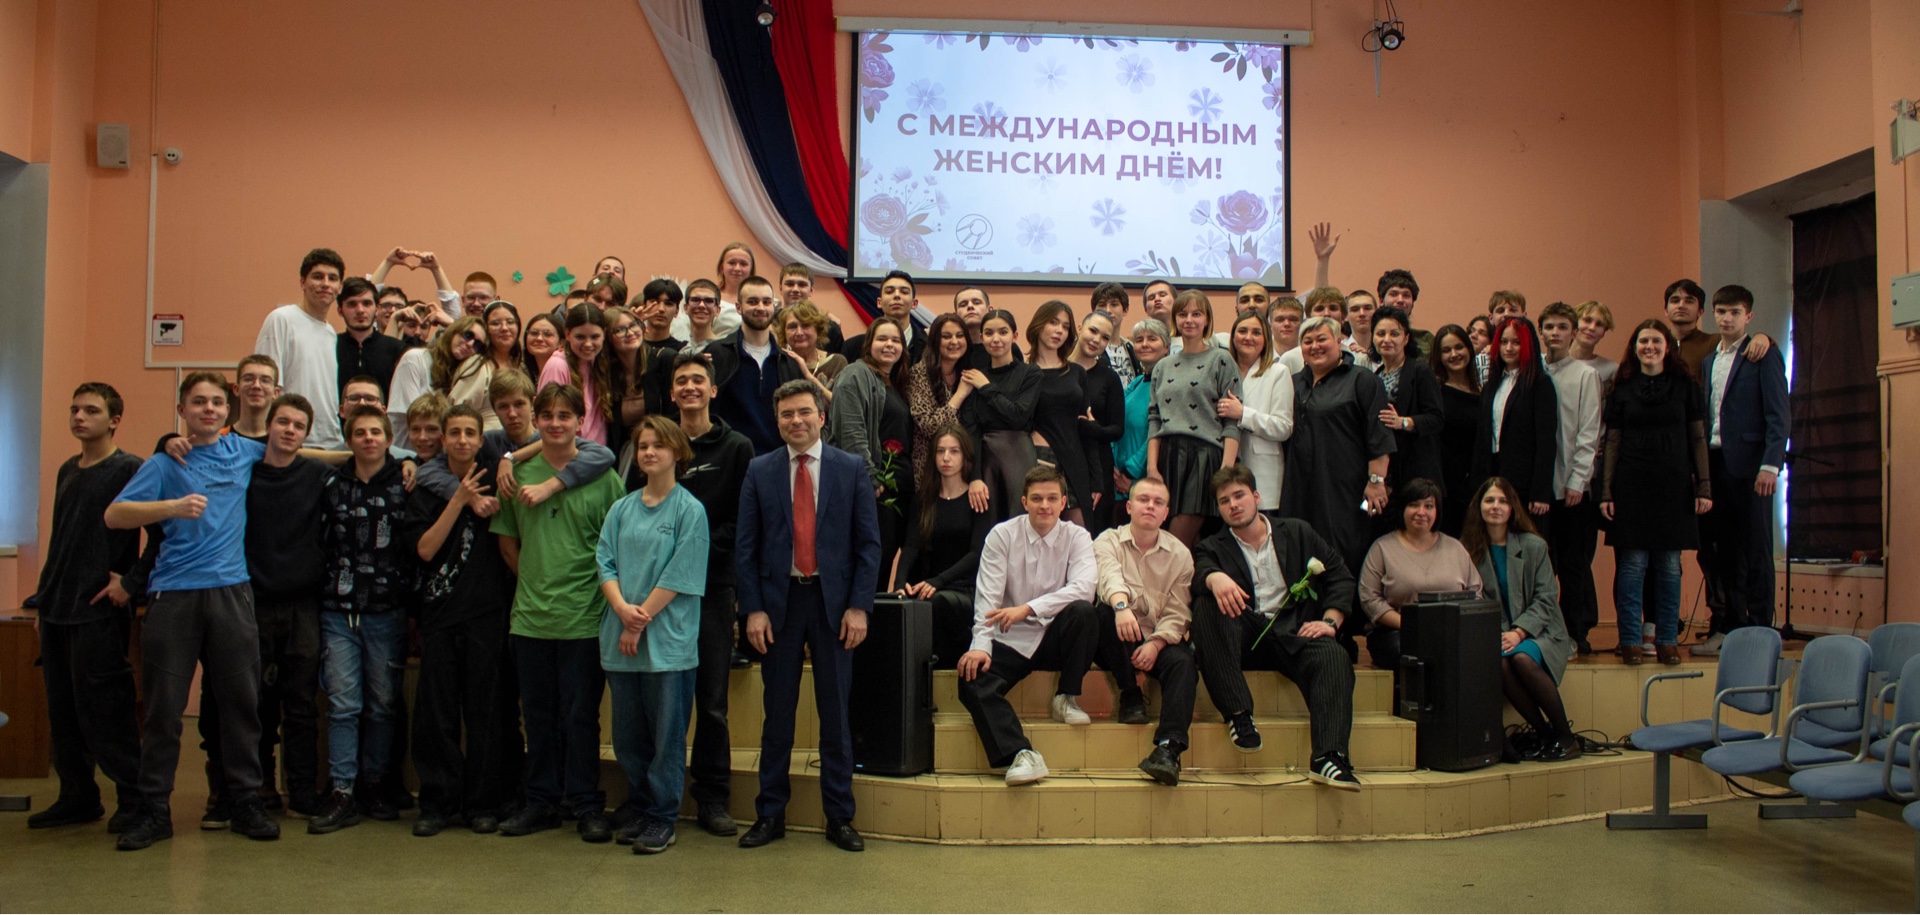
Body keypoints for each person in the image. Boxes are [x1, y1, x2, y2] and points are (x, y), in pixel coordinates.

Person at [106, 372, 280, 848]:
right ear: (182, 411)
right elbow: (115, 515)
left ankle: (244, 800)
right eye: (199, 402)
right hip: (174, 595)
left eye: (217, 402)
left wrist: (404, 460)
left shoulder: (244, 452)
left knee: (241, 705)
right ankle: (153, 810)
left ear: (227, 411)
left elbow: (302, 452)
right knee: (164, 710)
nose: (209, 409)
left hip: (231, 593)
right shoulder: (164, 462)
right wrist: (170, 508)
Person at [736, 379, 880, 852]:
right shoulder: (760, 470)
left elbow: (868, 544)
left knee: (835, 715)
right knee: (777, 715)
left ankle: (839, 817)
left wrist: (859, 606)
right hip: (778, 605)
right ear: (777, 421)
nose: (795, 421)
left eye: (803, 412)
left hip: (833, 605)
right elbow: (746, 547)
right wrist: (753, 609)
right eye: (786, 415)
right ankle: (769, 814)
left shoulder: (850, 468)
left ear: (821, 416)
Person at [490, 383, 627, 840]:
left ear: (579, 421)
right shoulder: (515, 474)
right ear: (536, 419)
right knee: (538, 716)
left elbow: (616, 547)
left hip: (584, 619)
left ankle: (586, 804)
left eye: (564, 416)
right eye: (546, 415)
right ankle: (542, 802)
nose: (554, 423)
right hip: (531, 619)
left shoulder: (603, 477)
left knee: (581, 716)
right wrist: (535, 580)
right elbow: (507, 543)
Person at [1191, 465, 1361, 789]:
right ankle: (1239, 716)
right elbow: (1199, 574)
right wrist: (1214, 577)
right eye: (1225, 501)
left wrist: (1330, 622)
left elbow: (1340, 576)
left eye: (1239, 495)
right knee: (1207, 604)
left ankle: (1329, 757)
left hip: (1292, 632)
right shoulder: (1212, 546)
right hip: (1243, 636)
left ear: (1257, 497)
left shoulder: (1297, 532)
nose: (1233, 505)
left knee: (1333, 655)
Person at [26, 383, 144, 832]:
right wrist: (44, 601)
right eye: (75, 409)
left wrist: (130, 582)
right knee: (63, 712)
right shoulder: (67, 470)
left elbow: (161, 534)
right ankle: (77, 796)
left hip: (98, 610)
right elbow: (61, 541)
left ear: (114, 420)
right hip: (59, 608)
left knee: (107, 710)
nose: (79, 417)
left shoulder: (130, 468)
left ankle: (133, 799)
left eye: (91, 410)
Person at [398, 404, 516, 837]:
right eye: (454, 433)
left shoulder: (496, 481)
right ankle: (437, 801)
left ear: (480, 440)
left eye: (470, 433)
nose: (462, 440)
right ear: (443, 439)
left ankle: (482, 803)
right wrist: (459, 500)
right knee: (436, 713)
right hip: (439, 613)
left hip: (486, 611)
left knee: (487, 712)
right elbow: (425, 549)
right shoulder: (427, 488)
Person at [596, 416, 710, 855]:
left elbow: (682, 573)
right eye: (643, 446)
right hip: (621, 641)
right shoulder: (621, 509)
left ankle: (662, 816)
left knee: (666, 737)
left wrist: (637, 621)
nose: (649, 453)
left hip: (666, 645)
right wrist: (622, 611)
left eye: (658, 445)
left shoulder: (689, 510)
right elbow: (605, 562)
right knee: (628, 736)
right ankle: (641, 807)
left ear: (677, 452)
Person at [305, 406, 412, 835]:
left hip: (387, 611)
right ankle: (342, 789)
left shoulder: (406, 482)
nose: (368, 438)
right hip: (338, 610)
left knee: (383, 705)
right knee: (343, 704)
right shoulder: (331, 483)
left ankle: (374, 783)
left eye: (376, 432)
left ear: (389, 439)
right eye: (360, 432)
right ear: (348, 440)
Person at [660, 354, 755, 836]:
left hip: (713, 588)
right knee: (664, 701)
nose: (690, 387)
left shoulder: (737, 447)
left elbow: (743, 521)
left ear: (713, 391)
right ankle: (657, 797)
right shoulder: (657, 444)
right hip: (660, 594)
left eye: (699, 380)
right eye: (682, 381)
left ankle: (712, 798)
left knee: (712, 702)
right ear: (672, 393)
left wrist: (691, 552)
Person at [956, 466, 1098, 786]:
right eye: (1037, 499)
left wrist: (1029, 608)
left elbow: (1084, 588)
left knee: (1085, 613)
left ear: (1063, 502)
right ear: (1024, 502)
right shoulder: (1002, 535)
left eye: (1052, 498)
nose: (1044, 505)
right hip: (1011, 636)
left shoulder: (1077, 536)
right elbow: (987, 596)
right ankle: (1021, 754)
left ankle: (1066, 696)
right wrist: (980, 646)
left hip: (1055, 636)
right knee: (971, 678)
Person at [231, 394, 330, 820]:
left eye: (298, 426)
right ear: (268, 426)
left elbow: (362, 457)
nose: (290, 430)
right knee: (257, 704)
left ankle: (303, 792)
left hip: (303, 606)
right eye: (283, 422)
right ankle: (260, 788)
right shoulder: (245, 473)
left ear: (306, 435)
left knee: (302, 705)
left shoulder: (317, 475)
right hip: (253, 602)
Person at [1601, 320, 1712, 665]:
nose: (1649, 347)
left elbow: (1698, 438)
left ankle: (1667, 640)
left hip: (1674, 485)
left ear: (1667, 346)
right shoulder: (1621, 388)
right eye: (1643, 341)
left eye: (1656, 341)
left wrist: (1704, 485)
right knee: (1632, 565)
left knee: (1669, 566)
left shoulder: (1686, 386)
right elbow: (1612, 441)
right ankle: (1630, 640)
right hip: (1631, 484)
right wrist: (1606, 491)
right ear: (1634, 347)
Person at [1693, 284, 1790, 657]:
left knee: (1756, 548)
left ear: (1748, 316)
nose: (1727, 318)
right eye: (1721, 312)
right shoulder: (1709, 360)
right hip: (1716, 463)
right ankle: (1733, 628)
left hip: (1752, 467)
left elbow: (1778, 415)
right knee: (1726, 550)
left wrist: (1770, 465)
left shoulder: (1763, 354)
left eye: (1734, 312)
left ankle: (1761, 630)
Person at [1283, 315, 1395, 633]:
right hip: (1299, 487)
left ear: (1339, 341)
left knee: (1342, 552)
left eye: (1322, 339)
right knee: (1302, 552)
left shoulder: (1362, 380)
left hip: (1345, 488)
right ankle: (1307, 627)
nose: (1315, 346)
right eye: (1308, 341)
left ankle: (1343, 630)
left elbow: (1378, 435)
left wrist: (1376, 481)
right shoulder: (1293, 382)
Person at [1460, 476, 1581, 761]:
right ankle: (1544, 734)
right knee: (1501, 663)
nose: (1496, 506)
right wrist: (1505, 634)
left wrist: (1519, 632)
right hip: (1500, 633)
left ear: (1512, 508)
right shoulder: (1468, 550)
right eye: (1489, 500)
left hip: (1542, 630)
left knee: (1522, 658)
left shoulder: (1534, 546)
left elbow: (1547, 597)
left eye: (1503, 501)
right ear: (1479, 507)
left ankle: (1566, 736)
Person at [1091, 477, 1197, 786]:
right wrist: (1121, 607)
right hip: (1117, 635)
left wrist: (1157, 643)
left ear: (1166, 513)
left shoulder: (1180, 555)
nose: (1150, 506)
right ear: (1129, 506)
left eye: (1158, 502)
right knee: (1103, 613)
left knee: (1184, 663)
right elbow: (1108, 577)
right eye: (1143, 500)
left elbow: (1179, 610)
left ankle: (1168, 750)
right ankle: (1131, 694)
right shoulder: (1107, 541)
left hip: (1158, 639)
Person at [1147, 290, 1243, 546]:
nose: (1189, 320)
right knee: (1188, 542)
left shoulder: (1221, 359)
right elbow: (1155, 419)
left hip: (1205, 458)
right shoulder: (1162, 366)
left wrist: (1226, 470)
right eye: (1183, 314)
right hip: (1169, 457)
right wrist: (1152, 467)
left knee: (1175, 541)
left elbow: (1232, 421)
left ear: (1207, 319)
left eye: (1196, 314)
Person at [827, 316, 914, 589]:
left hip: (896, 489)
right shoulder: (855, 374)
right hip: (873, 488)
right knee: (867, 568)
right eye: (882, 339)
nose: (889, 345)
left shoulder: (891, 381)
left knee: (881, 567)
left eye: (896, 340)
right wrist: (870, 478)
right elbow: (851, 429)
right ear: (869, 344)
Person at [896, 426, 995, 668]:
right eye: (940, 451)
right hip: (930, 586)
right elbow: (910, 547)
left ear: (965, 457)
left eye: (954, 451)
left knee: (935, 604)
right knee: (903, 606)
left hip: (966, 589)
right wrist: (899, 585)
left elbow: (977, 554)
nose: (946, 458)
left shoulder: (978, 500)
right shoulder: (923, 500)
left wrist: (938, 581)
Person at [1358, 479, 1480, 672]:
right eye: (1414, 505)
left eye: (1428, 506)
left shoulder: (1456, 548)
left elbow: (1476, 592)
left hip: (1449, 633)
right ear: (1403, 509)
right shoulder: (1382, 548)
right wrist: (1408, 624)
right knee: (1421, 655)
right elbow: (1369, 598)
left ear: (1437, 511)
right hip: (1396, 633)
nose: (1421, 512)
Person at [1537, 302, 1604, 653]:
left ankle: (1575, 634)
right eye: (1549, 327)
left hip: (1571, 487)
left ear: (1574, 333)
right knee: (1541, 565)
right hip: (1539, 488)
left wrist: (1578, 480)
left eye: (1562, 327)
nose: (1555, 333)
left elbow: (1589, 432)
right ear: (1540, 332)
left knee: (1573, 565)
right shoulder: (1533, 371)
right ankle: (1544, 630)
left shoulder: (1585, 375)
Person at [1471, 316, 1559, 536]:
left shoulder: (1540, 384)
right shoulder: (1491, 385)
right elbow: (1483, 436)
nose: (1509, 348)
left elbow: (1546, 442)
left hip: (1525, 483)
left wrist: (1541, 492)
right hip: (1493, 474)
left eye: (1516, 342)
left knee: (1523, 542)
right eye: (1503, 342)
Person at [256, 248, 346, 449]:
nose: (325, 284)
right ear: (302, 282)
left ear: (339, 287)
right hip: (293, 439)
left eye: (332, 278)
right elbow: (266, 386)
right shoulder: (282, 319)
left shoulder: (331, 333)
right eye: (318, 276)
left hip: (331, 439)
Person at [960, 310, 1041, 522]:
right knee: (986, 523)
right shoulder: (975, 376)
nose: (996, 339)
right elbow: (971, 429)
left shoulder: (1030, 373)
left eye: (1003, 332)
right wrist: (975, 477)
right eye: (989, 333)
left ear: (1015, 336)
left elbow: (1018, 416)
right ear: (981, 337)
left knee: (1020, 520)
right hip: (985, 458)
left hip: (1018, 454)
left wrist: (986, 387)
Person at [710, 276, 804, 455]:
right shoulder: (717, 354)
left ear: (773, 307)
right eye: (752, 302)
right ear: (738, 307)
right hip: (730, 459)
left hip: (778, 460)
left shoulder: (788, 362)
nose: (760, 308)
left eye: (766, 302)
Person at [1026, 301, 1096, 529]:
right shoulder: (1024, 371)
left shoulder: (1076, 372)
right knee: (1041, 532)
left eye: (1065, 327)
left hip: (1074, 457)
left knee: (1080, 533)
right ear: (1038, 325)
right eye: (1053, 322)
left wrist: (1096, 478)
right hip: (1039, 456)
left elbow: (1087, 425)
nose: (1059, 331)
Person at [1222, 309, 1294, 514]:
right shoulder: (1223, 370)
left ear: (1266, 340)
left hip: (1262, 472)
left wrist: (1243, 414)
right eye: (1242, 331)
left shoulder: (1278, 372)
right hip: (1225, 467)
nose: (1248, 337)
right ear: (1233, 336)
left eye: (1256, 332)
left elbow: (1284, 427)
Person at [1369, 305, 1443, 501]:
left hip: (1416, 466)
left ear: (1406, 338)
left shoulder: (1420, 372)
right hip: (1387, 469)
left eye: (1394, 334)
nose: (1387, 339)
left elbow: (1436, 418)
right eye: (1380, 334)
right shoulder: (1374, 377)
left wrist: (1403, 422)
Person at [906, 313, 980, 494]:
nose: (954, 341)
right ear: (935, 341)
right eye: (946, 336)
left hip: (965, 469)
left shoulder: (968, 372)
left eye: (959, 335)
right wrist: (960, 395)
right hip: (930, 470)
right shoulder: (919, 373)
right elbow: (929, 425)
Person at [1070, 309, 1126, 534]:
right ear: (1079, 328)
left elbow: (1117, 429)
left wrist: (1092, 429)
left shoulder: (1109, 378)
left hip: (1098, 465)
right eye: (1093, 331)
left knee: (1094, 532)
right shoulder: (1055, 369)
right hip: (1061, 458)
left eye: (1104, 337)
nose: (1096, 340)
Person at [1113, 319, 1171, 506]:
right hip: (1118, 479)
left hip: (1142, 479)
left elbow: (1159, 431)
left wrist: (1130, 472)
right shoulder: (1137, 382)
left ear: (1166, 347)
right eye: (1139, 340)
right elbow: (1117, 422)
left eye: (1152, 339)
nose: (1144, 344)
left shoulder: (1168, 383)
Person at [540, 303, 615, 446]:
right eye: (580, 337)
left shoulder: (598, 362)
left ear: (604, 334)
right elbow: (551, 420)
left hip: (597, 451)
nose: (588, 344)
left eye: (595, 337)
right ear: (567, 334)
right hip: (571, 451)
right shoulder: (557, 366)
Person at [1430, 324, 1480, 536]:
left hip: (1477, 484)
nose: (1454, 354)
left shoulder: (1482, 392)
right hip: (1448, 488)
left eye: (1459, 347)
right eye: (1446, 350)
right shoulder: (1436, 393)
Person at [608, 306, 670, 448]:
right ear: (607, 339)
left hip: (664, 446)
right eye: (619, 330)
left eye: (633, 325)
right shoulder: (607, 375)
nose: (630, 333)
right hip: (625, 453)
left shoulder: (663, 360)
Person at [336, 277, 404, 400]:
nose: (360, 310)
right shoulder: (330, 347)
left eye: (367, 303)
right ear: (340, 310)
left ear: (377, 309)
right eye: (352, 304)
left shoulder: (398, 350)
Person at [843, 270, 927, 365]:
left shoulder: (930, 345)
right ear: (879, 302)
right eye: (889, 291)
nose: (896, 295)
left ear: (914, 303)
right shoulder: (853, 347)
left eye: (904, 292)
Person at [776, 300, 848, 394]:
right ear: (784, 333)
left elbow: (842, 402)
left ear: (818, 329)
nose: (799, 333)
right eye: (792, 327)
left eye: (805, 325)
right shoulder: (778, 363)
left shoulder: (837, 363)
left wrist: (808, 375)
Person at [1278, 287, 1349, 374]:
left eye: (1333, 308)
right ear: (1308, 317)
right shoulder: (1290, 359)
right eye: (1319, 309)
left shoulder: (1357, 357)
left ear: (1344, 316)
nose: (1327, 314)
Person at [1090, 283, 1139, 385]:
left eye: (1114, 304)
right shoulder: (1089, 346)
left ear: (1125, 310)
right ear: (1093, 311)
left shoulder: (1132, 348)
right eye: (1102, 305)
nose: (1108, 310)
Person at [229, 355, 282, 440]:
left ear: (276, 393)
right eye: (248, 379)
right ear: (236, 389)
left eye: (265, 380)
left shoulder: (282, 443)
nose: (256, 385)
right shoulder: (219, 439)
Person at [1571, 300, 1618, 387]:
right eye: (1587, 320)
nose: (1592, 328)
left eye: (1599, 324)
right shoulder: (1551, 361)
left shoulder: (1611, 369)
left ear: (1603, 333)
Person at [638, 278, 686, 351]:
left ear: (677, 311)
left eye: (668, 304)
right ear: (644, 306)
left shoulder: (683, 350)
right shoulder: (631, 346)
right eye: (655, 302)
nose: (661, 309)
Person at [521, 312, 564, 379]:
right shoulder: (522, 369)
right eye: (534, 333)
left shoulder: (562, 369)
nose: (539, 338)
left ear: (561, 343)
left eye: (547, 334)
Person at [1268, 295, 1303, 361]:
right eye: (1280, 319)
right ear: (1270, 325)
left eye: (1293, 319)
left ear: (1302, 323)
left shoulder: (1310, 356)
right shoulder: (1260, 356)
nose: (1287, 324)